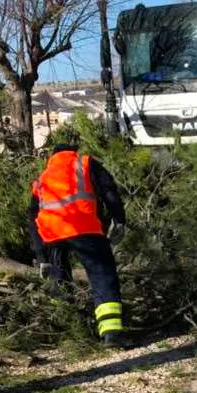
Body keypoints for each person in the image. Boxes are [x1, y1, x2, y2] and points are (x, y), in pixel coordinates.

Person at [27, 143, 131, 349]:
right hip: (84, 228)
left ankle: (68, 333)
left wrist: (42, 257)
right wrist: (119, 219)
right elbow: (109, 191)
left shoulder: (42, 178)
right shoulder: (85, 164)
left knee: (59, 280)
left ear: (53, 157)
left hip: (52, 234)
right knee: (102, 275)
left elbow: (32, 217)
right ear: (73, 151)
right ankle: (111, 334)